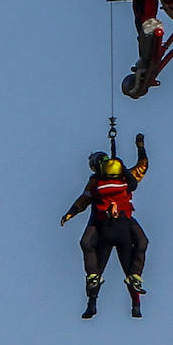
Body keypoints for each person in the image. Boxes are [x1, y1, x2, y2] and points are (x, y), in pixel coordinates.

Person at [60, 134, 150, 319]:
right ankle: (134, 305)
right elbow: (142, 167)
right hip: (120, 225)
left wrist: (70, 213)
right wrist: (140, 147)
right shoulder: (124, 178)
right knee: (132, 263)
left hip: (104, 228)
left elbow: (83, 201)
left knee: (96, 267)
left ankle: (93, 304)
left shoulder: (97, 182)